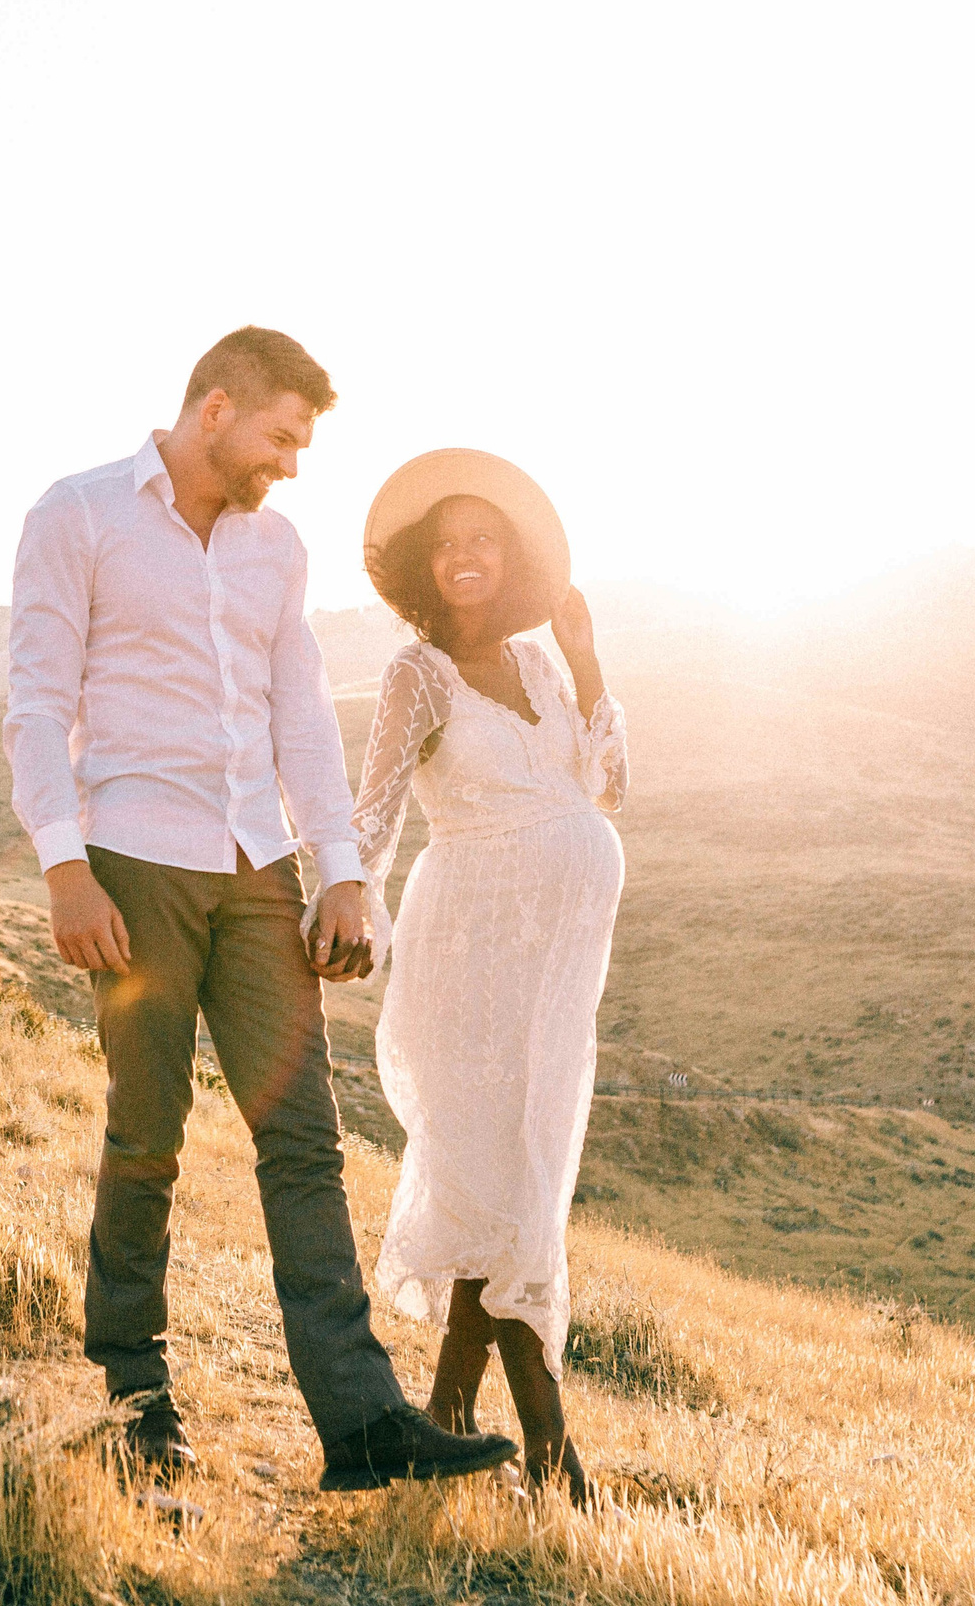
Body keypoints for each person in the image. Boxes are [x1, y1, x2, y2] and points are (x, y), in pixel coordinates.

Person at [3, 329, 519, 1493]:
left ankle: (361, 1424)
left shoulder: (276, 550)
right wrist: (61, 867)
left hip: (258, 871)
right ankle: (135, 1400)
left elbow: (298, 714)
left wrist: (338, 868)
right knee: (145, 1136)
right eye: (281, 437)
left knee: (303, 1143)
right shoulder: (78, 514)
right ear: (216, 407)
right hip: (130, 859)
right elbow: (35, 703)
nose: (290, 463)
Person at [350, 449, 628, 1505]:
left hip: (552, 969)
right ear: (426, 565)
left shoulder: (546, 667)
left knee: (516, 1182)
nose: (465, 558)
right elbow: (371, 815)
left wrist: (589, 656)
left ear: (509, 559)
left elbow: (607, 790)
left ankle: (448, 1417)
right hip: (468, 955)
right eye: (447, 544)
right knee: (500, 1182)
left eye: (484, 541)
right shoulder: (415, 675)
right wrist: (344, 903)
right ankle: (554, 1456)